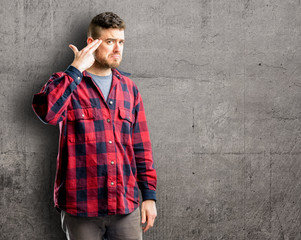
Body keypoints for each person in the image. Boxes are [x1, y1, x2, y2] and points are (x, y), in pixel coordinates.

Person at [32, 12, 157, 240]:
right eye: (109, 42)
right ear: (91, 43)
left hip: (125, 205)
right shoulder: (66, 82)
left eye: (121, 42)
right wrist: (75, 70)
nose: (117, 49)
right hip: (81, 207)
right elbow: (47, 114)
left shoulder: (129, 89)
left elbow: (141, 148)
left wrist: (149, 196)